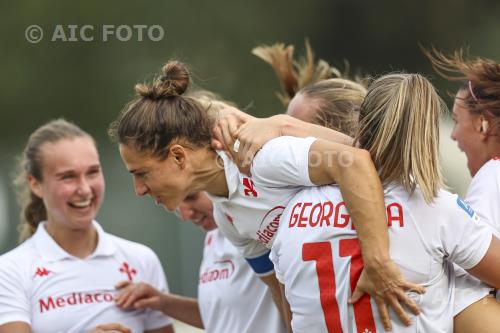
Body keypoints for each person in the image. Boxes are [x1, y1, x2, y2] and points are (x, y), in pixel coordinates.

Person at [109, 60, 424, 331]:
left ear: (178, 157)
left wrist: (377, 262)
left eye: (142, 173)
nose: (139, 190)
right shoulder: (227, 218)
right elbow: (281, 291)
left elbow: (356, 161)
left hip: (406, 284)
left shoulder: (261, 157)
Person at [255, 73, 500, 332]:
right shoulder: (437, 208)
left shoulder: (293, 211)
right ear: (426, 134)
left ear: (362, 121)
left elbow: (291, 318)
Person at [0, 119, 174, 333]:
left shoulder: (141, 259)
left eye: (92, 172)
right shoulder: (10, 271)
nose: (84, 189)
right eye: (68, 177)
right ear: (35, 184)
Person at [116, 191, 286, 333]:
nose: (184, 214)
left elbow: (291, 302)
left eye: (191, 197)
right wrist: (162, 302)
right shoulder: (213, 236)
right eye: (176, 204)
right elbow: (221, 319)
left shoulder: (255, 227)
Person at [425, 48, 500, 333]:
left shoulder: (493, 173)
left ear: (484, 123)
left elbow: (470, 291)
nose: (453, 135)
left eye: (456, 120)